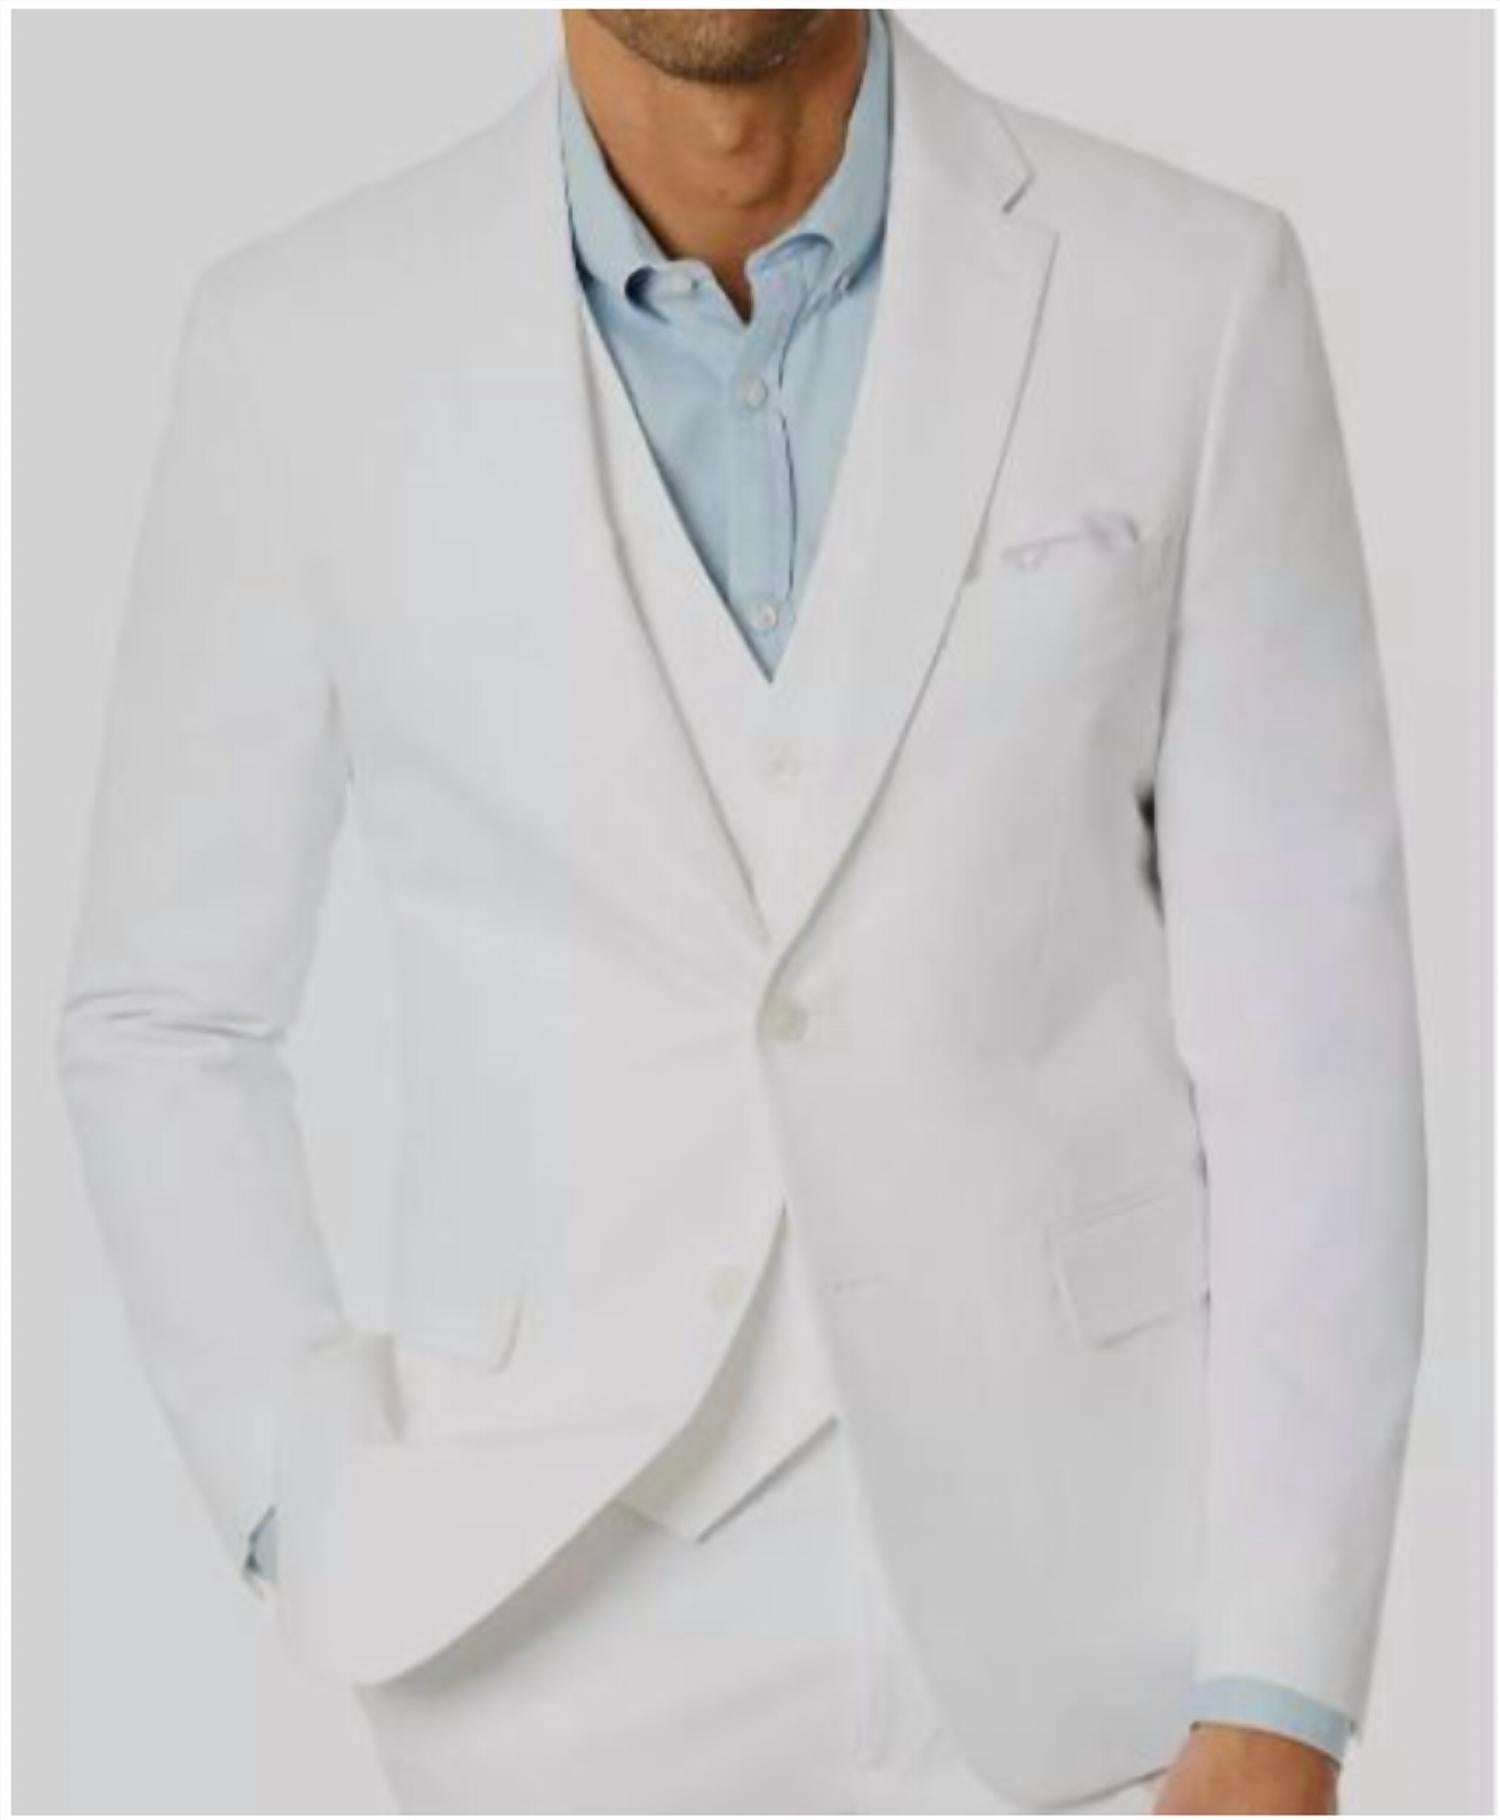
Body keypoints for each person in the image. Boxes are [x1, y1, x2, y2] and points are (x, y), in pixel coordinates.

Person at [58, 9, 1427, 1814]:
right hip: (532, 1633)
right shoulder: (299, 344)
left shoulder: (1191, 290)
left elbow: (1313, 1034)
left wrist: (1283, 1679)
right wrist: (294, 1502)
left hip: (1109, 1639)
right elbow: (164, 1014)